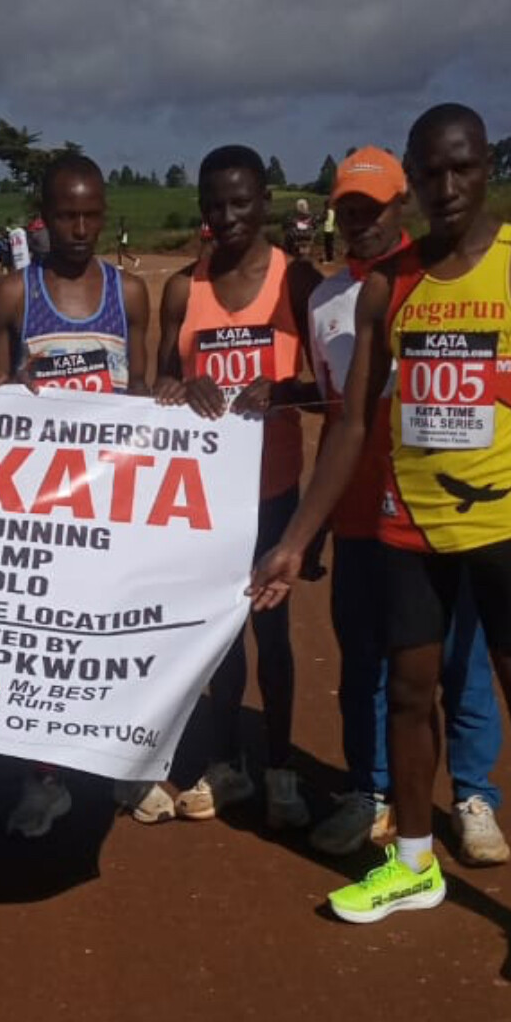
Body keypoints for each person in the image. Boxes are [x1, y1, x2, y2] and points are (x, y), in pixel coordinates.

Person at [252, 104, 511, 983]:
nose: (447, 186)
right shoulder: (390, 284)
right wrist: (295, 540)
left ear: (487, 165)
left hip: (503, 524)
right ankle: (415, 863)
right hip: (407, 525)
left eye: (462, 167)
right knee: (409, 692)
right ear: (414, 181)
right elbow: (353, 422)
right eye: (431, 172)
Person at [306, 148, 508, 862]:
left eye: (374, 208)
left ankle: (474, 795)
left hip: (441, 510)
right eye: (348, 211)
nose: (360, 222)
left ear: (403, 205)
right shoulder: (324, 300)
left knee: (460, 660)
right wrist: (314, 524)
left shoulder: (437, 280)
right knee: (364, 663)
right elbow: (336, 414)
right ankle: (371, 793)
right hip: (360, 513)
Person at [143, 145, 319, 829]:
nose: (228, 216)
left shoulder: (295, 281)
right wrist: (179, 386)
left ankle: (279, 767)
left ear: (266, 202)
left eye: (241, 202)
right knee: (217, 637)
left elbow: (331, 388)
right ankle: (226, 763)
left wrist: (284, 389)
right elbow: (160, 382)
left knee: (272, 636)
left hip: (273, 490)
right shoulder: (182, 289)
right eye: (214, 204)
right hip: (207, 499)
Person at [0, 153, 150, 835]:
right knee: (43, 643)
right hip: (40, 508)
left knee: (117, 632)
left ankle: (126, 762)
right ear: (43, 218)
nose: (79, 229)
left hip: (112, 501)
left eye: (90, 215)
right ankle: (44, 775)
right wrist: (10, 384)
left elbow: (145, 398)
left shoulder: (128, 294)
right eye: (65, 216)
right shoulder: (12, 294)